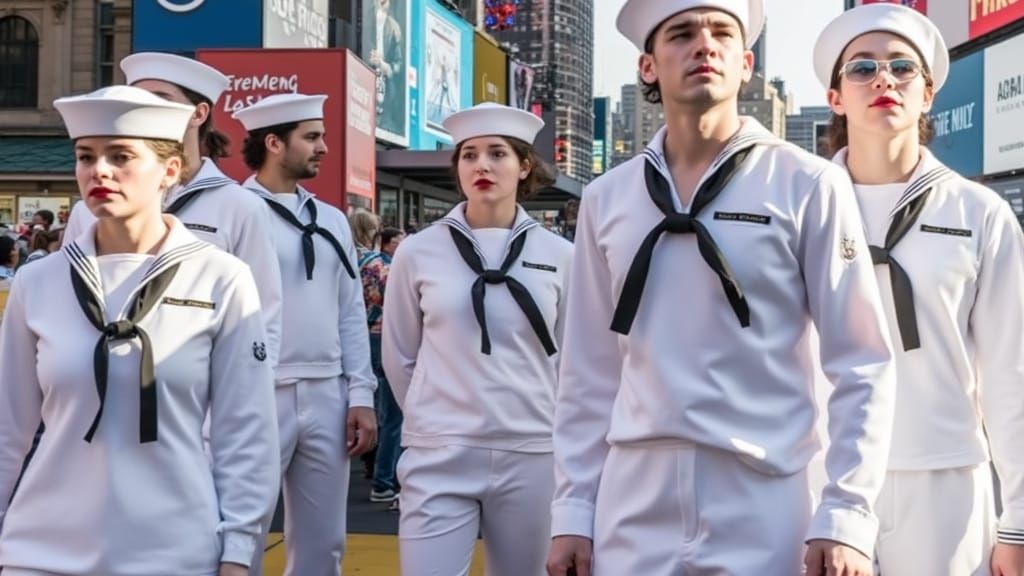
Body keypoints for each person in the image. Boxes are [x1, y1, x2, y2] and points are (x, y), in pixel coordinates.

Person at [545, 2, 897, 576]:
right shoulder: (606, 198)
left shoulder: (808, 184)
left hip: (764, 492)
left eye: (721, 34)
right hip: (633, 497)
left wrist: (846, 515)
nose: (703, 45)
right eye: (681, 34)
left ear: (745, 63)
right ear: (648, 66)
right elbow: (588, 372)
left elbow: (862, 363)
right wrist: (573, 510)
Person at [0, 85, 279, 576]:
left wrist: (238, 551)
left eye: (121, 155)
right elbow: (7, 427)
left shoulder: (221, 277)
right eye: (86, 156)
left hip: (175, 553)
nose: (99, 171)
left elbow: (247, 431)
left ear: (170, 170)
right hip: (40, 554)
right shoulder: (37, 282)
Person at [815, 5, 1024, 575]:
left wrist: (1020, 521)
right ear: (836, 98)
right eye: (861, 68)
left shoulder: (980, 213)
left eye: (902, 68)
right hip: (822, 478)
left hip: (947, 482)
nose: (883, 78)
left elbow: (1012, 374)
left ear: (927, 94)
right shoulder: (801, 207)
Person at [382, 102, 573, 576]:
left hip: (532, 453)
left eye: (497, 153)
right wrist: (439, 418)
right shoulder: (418, 251)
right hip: (439, 453)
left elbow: (575, 362)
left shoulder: (562, 255)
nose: (481, 166)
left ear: (524, 165)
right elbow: (400, 354)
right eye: (468, 155)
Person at [232, 93, 378, 576]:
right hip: (255, 394)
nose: (325, 148)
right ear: (274, 143)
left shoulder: (333, 218)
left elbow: (350, 311)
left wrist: (361, 394)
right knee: (239, 534)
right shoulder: (235, 211)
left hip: (327, 394)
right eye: (312, 137)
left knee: (324, 543)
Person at [61, 52, 284, 368]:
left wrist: (250, 393)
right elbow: (68, 300)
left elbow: (263, 317)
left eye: (161, 99)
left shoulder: (241, 206)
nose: (146, 108)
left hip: (199, 395)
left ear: (199, 113)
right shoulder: (89, 210)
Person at [350, 212, 404, 505]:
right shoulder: (379, 265)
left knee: (364, 402)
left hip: (356, 335)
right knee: (393, 413)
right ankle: (384, 480)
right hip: (382, 335)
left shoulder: (350, 259)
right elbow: (394, 299)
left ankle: (370, 466)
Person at [364, 0, 404, 135]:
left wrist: (383, 65)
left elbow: (398, 65)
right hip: (363, 87)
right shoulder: (365, 17)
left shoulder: (394, 28)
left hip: (385, 92)